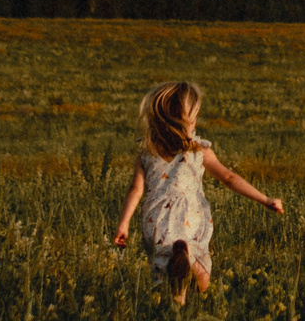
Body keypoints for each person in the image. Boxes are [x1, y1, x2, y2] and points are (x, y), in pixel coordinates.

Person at [111, 80, 285, 304]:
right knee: (202, 280)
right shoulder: (199, 151)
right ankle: (185, 270)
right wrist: (264, 199)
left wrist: (123, 225)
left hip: (157, 220)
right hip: (190, 218)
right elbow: (228, 178)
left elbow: (135, 190)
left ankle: (177, 298)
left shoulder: (147, 152)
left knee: (167, 278)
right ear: (187, 119)